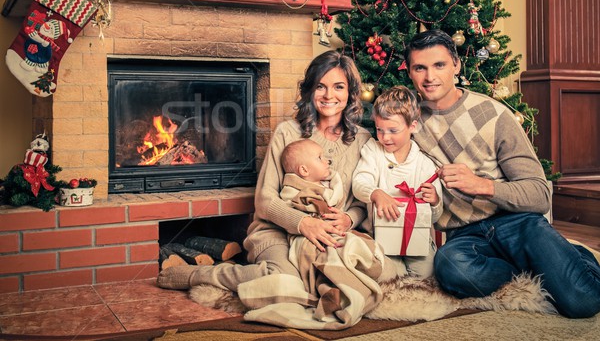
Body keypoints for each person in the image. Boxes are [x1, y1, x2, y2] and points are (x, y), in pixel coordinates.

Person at [404, 29, 600, 318]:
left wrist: (481, 185)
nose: (429, 77)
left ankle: (575, 257)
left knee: (582, 303)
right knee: (450, 268)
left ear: (457, 66)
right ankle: (536, 264)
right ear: (409, 72)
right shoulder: (409, 121)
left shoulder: (494, 114)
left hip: (518, 223)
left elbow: (540, 194)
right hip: (466, 235)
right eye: (420, 67)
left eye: (439, 65)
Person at [157, 50, 375, 291]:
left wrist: (348, 218)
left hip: (330, 236)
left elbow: (363, 200)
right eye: (321, 86)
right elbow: (265, 199)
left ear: (351, 92)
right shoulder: (288, 132)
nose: (329, 95)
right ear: (310, 90)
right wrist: (302, 222)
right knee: (285, 280)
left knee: (354, 279)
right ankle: (199, 276)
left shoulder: (363, 140)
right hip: (277, 231)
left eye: (338, 87)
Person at [353, 85, 443, 278]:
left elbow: (435, 217)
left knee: (427, 275)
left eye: (393, 130)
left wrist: (434, 200)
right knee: (390, 275)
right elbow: (360, 182)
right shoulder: (373, 150)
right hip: (382, 235)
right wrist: (375, 193)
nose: (385, 137)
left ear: (413, 126)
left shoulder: (424, 164)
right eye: (379, 129)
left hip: (417, 238)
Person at [279, 138, 345, 217]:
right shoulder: (292, 191)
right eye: (319, 158)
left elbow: (339, 204)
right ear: (304, 170)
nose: (327, 161)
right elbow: (289, 210)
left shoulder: (330, 185)